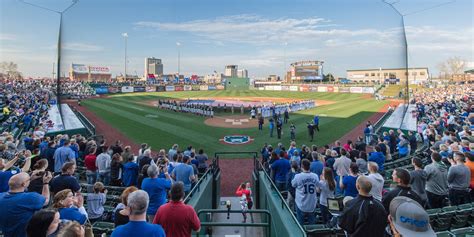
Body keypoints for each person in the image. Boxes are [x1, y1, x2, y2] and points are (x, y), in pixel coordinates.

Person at [0, 172, 51, 237]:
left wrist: (29, 179)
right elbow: (46, 200)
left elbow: (18, 188)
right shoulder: (31, 198)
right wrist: (46, 183)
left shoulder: (1, 196)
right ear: (24, 184)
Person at [291, 159, 320, 225]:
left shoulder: (298, 176)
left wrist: (294, 173)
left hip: (301, 204)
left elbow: (293, 185)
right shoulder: (315, 176)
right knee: (312, 225)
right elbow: (318, 187)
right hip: (312, 204)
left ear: (301, 166)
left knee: (300, 225)